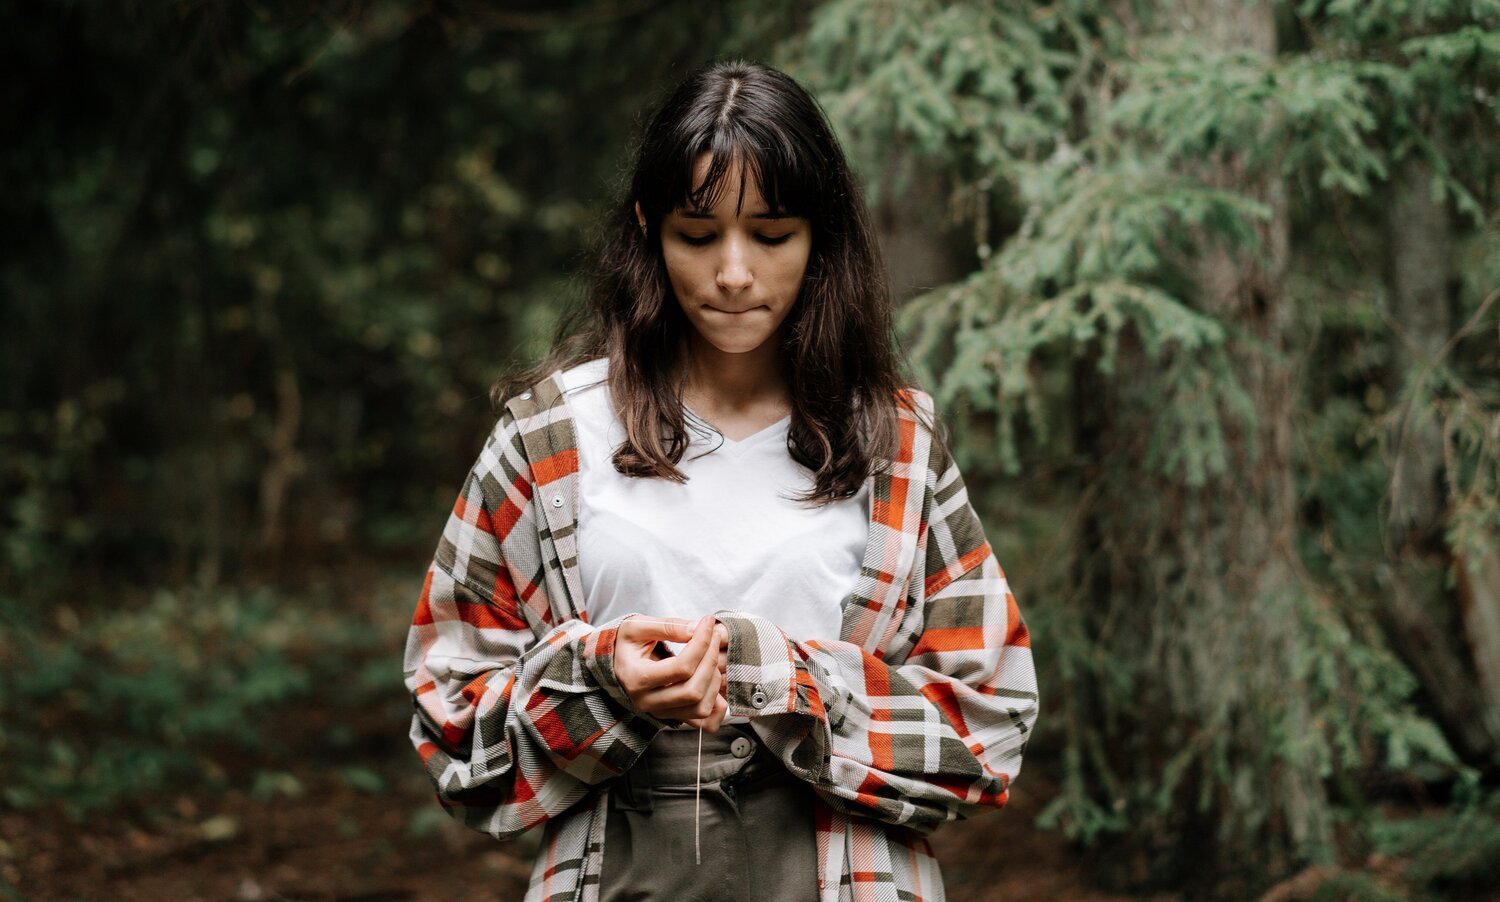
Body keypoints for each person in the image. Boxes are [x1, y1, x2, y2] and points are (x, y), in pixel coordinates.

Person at [402, 58, 1039, 902]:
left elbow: (987, 725)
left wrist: (788, 679)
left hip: (848, 874)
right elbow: (449, 722)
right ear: (648, 226)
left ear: (821, 236)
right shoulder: (552, 435)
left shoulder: (895, 441)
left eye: (772, 234)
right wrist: (602, 683)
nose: (733, 274)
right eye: (697, 236)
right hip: (617, 869)